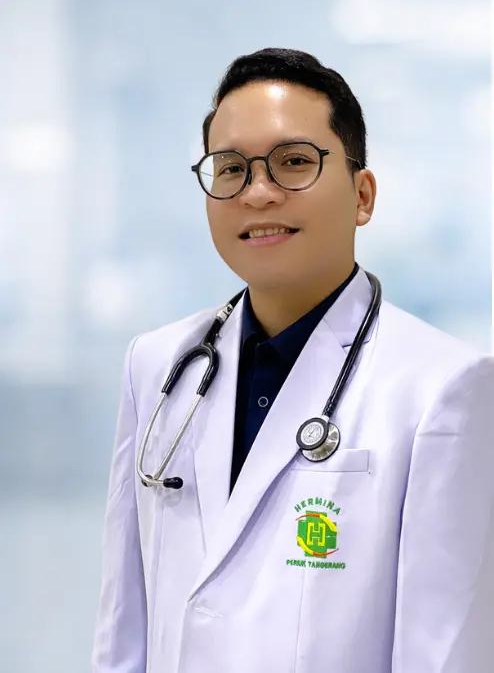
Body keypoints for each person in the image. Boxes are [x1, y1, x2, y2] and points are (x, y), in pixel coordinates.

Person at [92, 48, 494, 673]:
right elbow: (123, 628)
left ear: (362, 195)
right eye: (231, 169)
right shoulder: (157, 365)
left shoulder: (443, 388)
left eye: (295, 162)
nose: (257, 193)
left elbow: (441, 655)